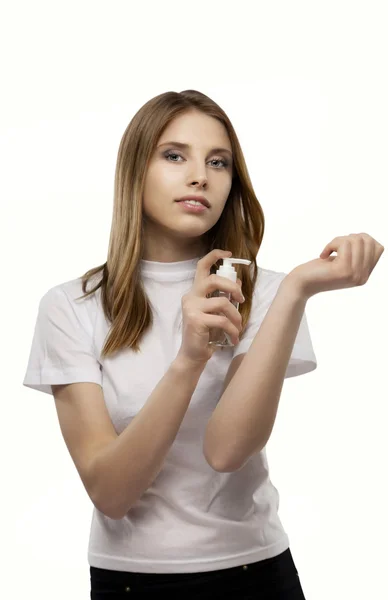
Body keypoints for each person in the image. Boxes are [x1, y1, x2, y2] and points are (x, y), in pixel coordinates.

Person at [23, 90, 318, 599]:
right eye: (175, 155)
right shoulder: (71, 306)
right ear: (136, 169)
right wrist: (189, 358)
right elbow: (111, 492)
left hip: (257, 573)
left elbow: (227, 450)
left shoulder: (266, 292)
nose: (200, 175)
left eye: (218, 162)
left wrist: (297, 290)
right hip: (130, 582)